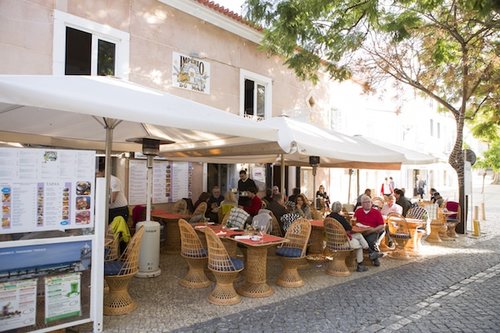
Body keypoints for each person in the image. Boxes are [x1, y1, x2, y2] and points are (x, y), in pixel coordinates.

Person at [327, 201, 369, 272]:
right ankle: (361, 264)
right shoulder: (340, 218)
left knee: (358, 235)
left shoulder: (328, 217)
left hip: (332, 241)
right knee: (359, 244)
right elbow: (349, 228)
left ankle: (367, 247)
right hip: (341, 242)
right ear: (340, 209)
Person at [353, 195, 385, 266]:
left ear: (371, 203)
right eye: (365, 202)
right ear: (361, 204)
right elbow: (354, 222)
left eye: (369, 202)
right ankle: (374, 255)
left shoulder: (376, 212)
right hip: (361, 232)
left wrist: (373, 230)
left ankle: (374, 259)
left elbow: (382, 225)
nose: (368, 203)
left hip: (372, 231)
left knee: (370, 241)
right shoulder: (358, 211)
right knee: (356, 239)